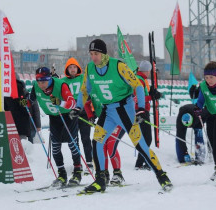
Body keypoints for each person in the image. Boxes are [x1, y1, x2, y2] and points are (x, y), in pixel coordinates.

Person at [73, 39, 172, 193]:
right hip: (107, 111)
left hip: (125, 110)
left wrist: (140, 108)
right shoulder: (90, 69)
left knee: (140, 145)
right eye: (91, 54)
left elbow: (137, 85)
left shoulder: (118, 66)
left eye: (97, 54)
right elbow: (84, 90)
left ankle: (162, 176)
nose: (94, 57)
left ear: (104, 53)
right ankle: (100, 181)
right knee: (97, 142)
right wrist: (78, 106)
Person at [29, 67, 82, 187]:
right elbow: (30, 100)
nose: (41, 85)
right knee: (55, 147)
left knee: (72, 145)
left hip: (68, 116)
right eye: (39, 81)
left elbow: (72, 103)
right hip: (54, 117)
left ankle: (77, 172)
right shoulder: (36, 86)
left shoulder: (61, 85)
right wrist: (24, 103)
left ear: (49, 79)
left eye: (43, 81)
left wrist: (60, 102)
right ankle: (62, 174)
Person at [62, 57, 93, 175]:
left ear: (78, 68)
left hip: (83, 113)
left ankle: (89, 162)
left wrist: (92, 111)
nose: (73, 69)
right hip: (71, 114)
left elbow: (89, 92)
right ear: (67, 69)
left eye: (74, 67)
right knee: (74, 140)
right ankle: (78, 163)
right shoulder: (64, 81)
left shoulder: (83, 78)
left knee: (85, 138)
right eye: (70, 67)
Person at [84, 96, 125, 185]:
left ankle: (117, 173)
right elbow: (86, 104)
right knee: (100, 145)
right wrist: (90, 116)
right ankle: (104, 173)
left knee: (111, 145)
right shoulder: (93, 91)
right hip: (105, 121)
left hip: (119, 120)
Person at [134, 60, 161, 170]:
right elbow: (137, 99)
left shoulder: (142, 79)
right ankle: (140, 163)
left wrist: (151, 93)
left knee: (145, 138)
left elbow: (143, 94)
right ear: (147, 71)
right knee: (147, 139)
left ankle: (141, 162)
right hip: (141, 112)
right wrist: (151, 97)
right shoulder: (139, 80)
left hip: (143, 111)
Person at [4, 74, 31, 140]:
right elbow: (23, 103)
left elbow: (5, 106)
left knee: (12, 142)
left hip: (11, 119)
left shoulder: (6, 88)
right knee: (21, 143)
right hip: (21, 120)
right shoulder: (19, 86)